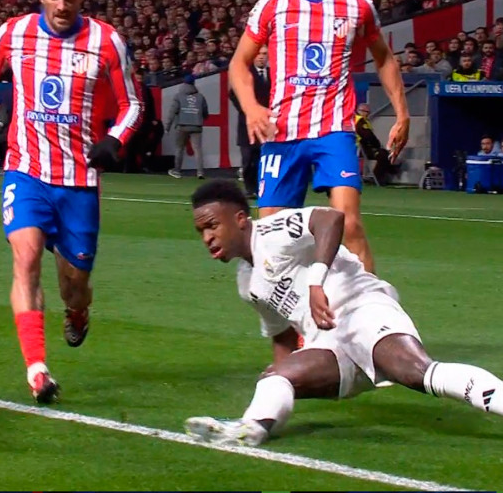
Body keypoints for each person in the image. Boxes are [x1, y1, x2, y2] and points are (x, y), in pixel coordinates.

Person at [0, 0, 142, 403]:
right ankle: (36, 369)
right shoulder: (15, 33)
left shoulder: (106, 41)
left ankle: (78, 311)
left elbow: (134, 103)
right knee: (26, 258)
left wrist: (115, 138)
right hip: (26, 170)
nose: (61, 6)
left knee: (74, 283)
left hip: (78, 181)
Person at [184, 179, 503, 447]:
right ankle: (248, 430)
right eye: (201, 231)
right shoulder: (247, 284)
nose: (207, 237)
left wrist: (315, 282)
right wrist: (282, 375)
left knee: (419, 373)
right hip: (328, 345)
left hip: (361, 310)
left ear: (240, 219)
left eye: (212, 225)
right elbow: (282, 334)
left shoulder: (272, 232)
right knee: (274, 378)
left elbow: (331, 219)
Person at [230, 0, 410, 274]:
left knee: (349, 225)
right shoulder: (273, 4)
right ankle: (298, 324)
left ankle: (372, 314)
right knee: (272, 240)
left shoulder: (356, 5)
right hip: (282, 133)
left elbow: (385, 57)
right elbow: (239, 63)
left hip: (334, 130)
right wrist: (251, 108)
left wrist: (402, 113)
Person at [230, 45, 271, 197]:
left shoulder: (275, 74)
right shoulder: (245, 74)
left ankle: (264, 188)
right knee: (248, 159)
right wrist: (249, 110)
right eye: (259, 54)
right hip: (247, 124)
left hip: (268, 125)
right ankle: (250, 188)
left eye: (264, 54)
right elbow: (234, 95)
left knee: (266, 158)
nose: (261, 57)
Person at [165, 76, 209, 179]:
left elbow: (172, 112)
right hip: (196, 126)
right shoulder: (200, 97)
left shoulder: (178, 96)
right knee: (197, 149)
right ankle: (200, 172)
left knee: (179, 148)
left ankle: (177, 171)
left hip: (182, 125)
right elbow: (205, 112)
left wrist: (167, 127)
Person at [354, 103, 398, 185]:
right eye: (366, 112)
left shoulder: (354, 119)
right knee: (383, 155)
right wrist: (376, 145)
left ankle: (391, 169)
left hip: (355, 148)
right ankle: (378, 177)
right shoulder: (360, 121)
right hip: (361, 149)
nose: (367, 114)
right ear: (361, 111)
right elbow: (368, 136)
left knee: (383, 153)